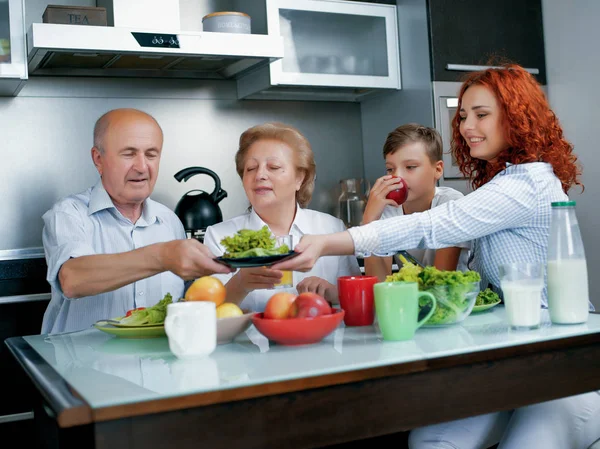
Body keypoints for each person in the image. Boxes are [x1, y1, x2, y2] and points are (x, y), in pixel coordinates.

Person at [274, 65, 600, 448]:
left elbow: (436, 224)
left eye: (482, 114)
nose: (465, 126)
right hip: (512, 362)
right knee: (432, 442)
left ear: (515, 117)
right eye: (462, 115)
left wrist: (328, 242)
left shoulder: (526, 184)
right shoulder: (504, 181)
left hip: (562, 367)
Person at [41, 108, 231, 334]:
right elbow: (73, 279)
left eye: (151, 154)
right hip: (78, 366)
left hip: (160, 365)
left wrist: (246, 279)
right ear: (98, 159)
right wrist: (162, 256)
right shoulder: (69, 214)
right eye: (129, 154)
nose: (142, 167)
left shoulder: (169, 220)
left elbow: (194, 300)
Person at [203, 122, 361, 311]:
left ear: (299, 178)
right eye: (251, 168)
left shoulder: (332, 228)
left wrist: (334, 294)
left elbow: (358, 303)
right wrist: (241, 283)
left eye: (274, 167)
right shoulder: (219, 236)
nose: (260, 175)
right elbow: (206, 314)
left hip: (324, 339)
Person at [363, 123, 469, 281]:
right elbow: (378, 283)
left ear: (438, 169)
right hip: (414, 300)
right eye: (390, 169)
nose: (398, 177)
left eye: (410, 167)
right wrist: (369, 221)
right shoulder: (389, 210)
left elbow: (439, 284)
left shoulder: (451, 204)